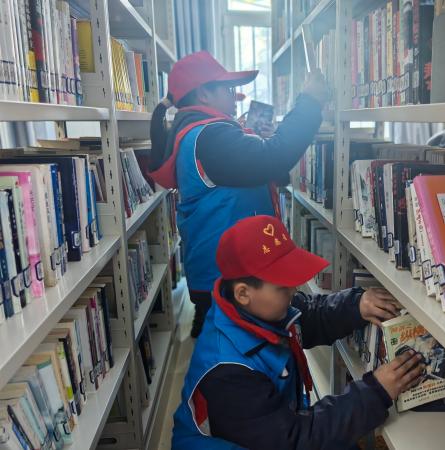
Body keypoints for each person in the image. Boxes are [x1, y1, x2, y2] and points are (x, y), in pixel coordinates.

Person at [171, 215, 426, 449]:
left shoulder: (256, 310)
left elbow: (309, 315)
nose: (294, 290)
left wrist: (356, 305)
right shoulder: (228, 373)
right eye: (283, 287)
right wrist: (376, 392)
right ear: (243, 293)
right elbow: (294, 440)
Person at [148, 51, 329, 337]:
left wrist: (260, 141)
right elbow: (274, 159)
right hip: (227, 278)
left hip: (215, 271)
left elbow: (257, 173)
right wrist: (309, 102)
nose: (234, 97)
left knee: (220, 342)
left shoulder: (198, 132)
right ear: (204, 94)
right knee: (237, 351)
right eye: (228, 90)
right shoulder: (210, 136)